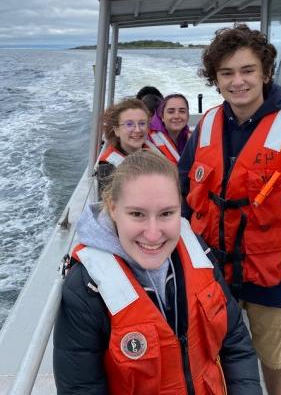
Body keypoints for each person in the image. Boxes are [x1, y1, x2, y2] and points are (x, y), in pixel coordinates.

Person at [53, 150, 262, 395]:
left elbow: (235, 341)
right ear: (113, 208)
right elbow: (81, 389)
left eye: (166, 213)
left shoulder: (196, 250)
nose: (153, 234)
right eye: (137, 214)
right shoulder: (86, 289)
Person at [178, 23, 281, 395]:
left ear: (266, 72)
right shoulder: (205, 126)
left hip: (275, 276)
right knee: (216, 352)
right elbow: (184, 193)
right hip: (213, 270)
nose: (238, 82)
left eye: (248, 70)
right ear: (215, 79)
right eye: (227, 73)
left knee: (274, 357)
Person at [95, 97, 150, 193]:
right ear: (117, 130)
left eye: (142, 123)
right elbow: (109, 206)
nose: (137, 130)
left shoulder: (153, 154)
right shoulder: (108, 168)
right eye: (129, 124)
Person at [149, 93, 191, 164]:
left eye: (182, 111)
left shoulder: (192, 139)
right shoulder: (148, 140)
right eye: (171, 112)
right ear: (162, 116)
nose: (177, 116)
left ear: (188, 116)